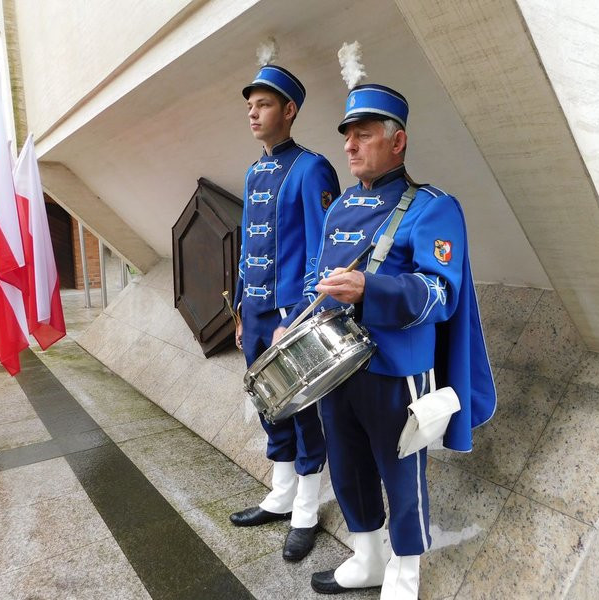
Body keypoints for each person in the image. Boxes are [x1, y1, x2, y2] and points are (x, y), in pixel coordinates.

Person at [275, 84, 496, 597]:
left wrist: (369, 288)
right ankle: (367, 557)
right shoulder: (340, 208)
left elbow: (440, 292)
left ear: (397, 143)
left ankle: (404, 574)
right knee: (348, 466)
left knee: (401, 476)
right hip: (334, 367)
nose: (350, 146)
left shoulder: (433, 208)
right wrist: (297, 320)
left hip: (396, 369)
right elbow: (317, 276)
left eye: (364, 135)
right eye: (348, 135)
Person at [229, 63, 340, 562]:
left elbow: (323, 248)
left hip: (290, 317)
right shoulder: (254, 169)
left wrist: (295, 318)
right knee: (268, 404)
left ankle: (307, 512)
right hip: (254, 312)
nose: (253, 113)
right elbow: (247, 245)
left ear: (289, 110)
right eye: (250, 105)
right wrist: (239, 309)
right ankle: (280, 496)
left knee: (303, 410)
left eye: (265, 104)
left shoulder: (313, 168)